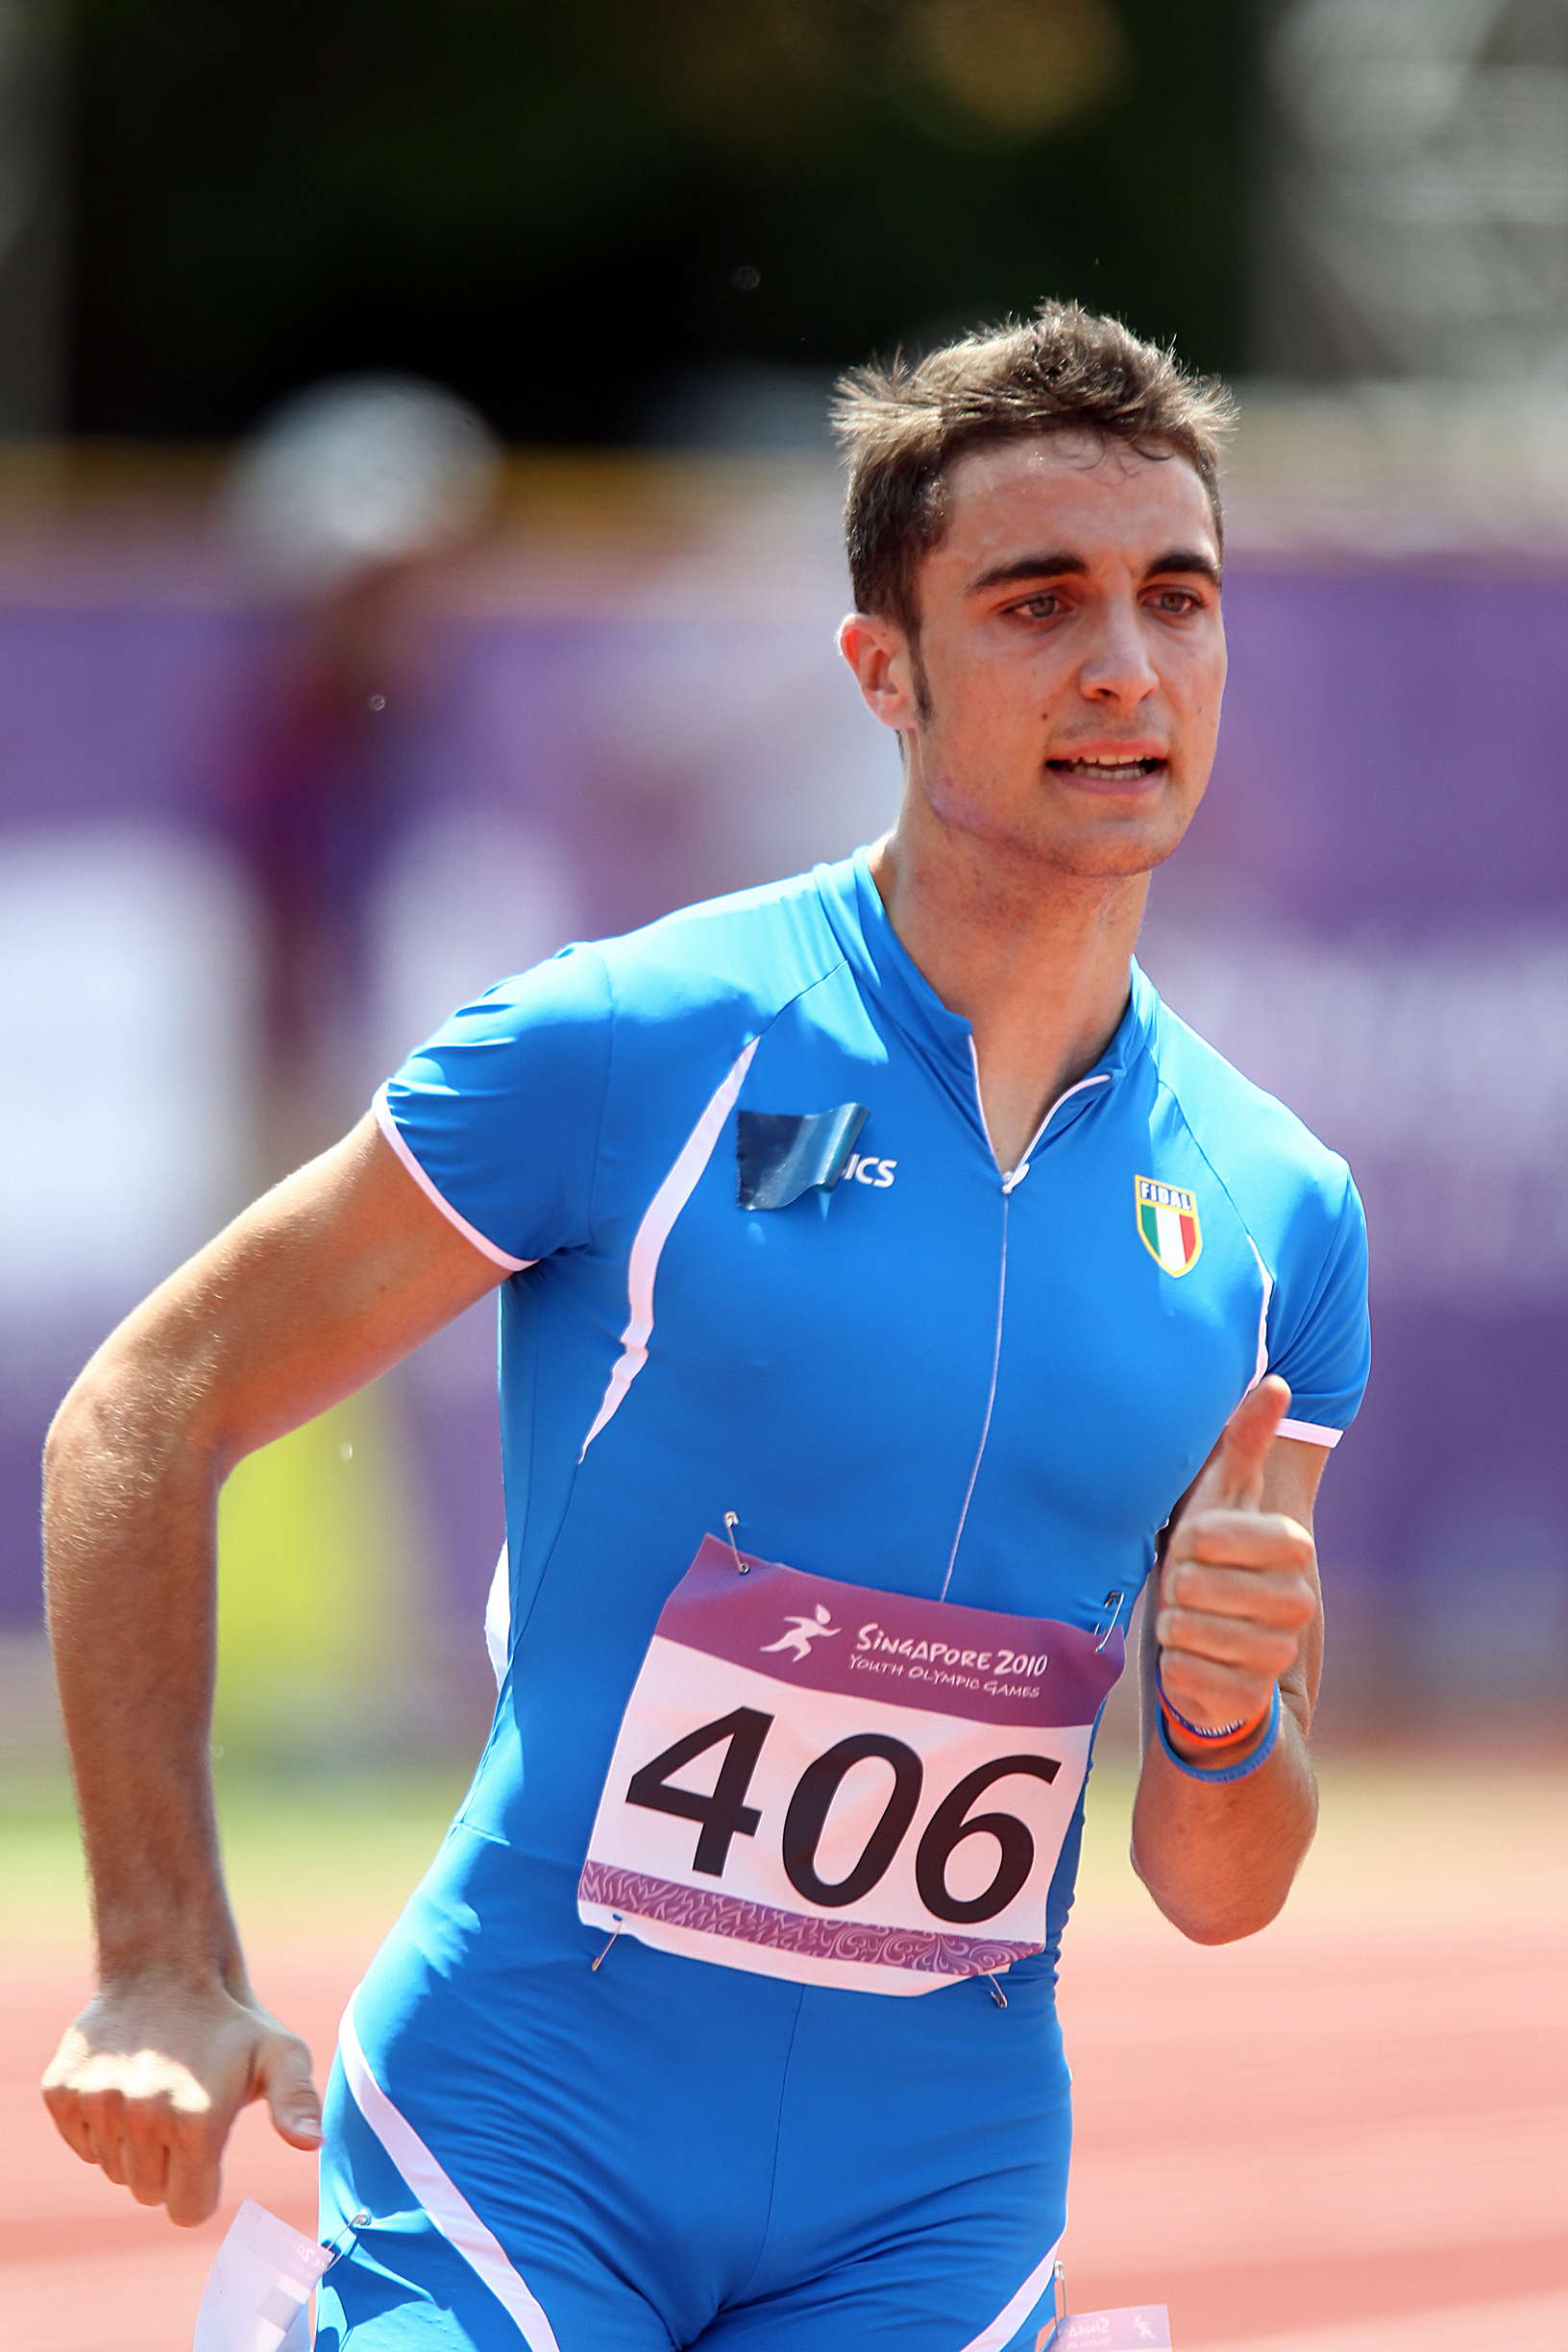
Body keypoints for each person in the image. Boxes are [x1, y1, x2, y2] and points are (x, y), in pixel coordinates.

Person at [40, 301, 1369, 2351]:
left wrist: (1219, 1719)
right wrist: (154, 1955)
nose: (1123, 664)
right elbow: (147, 1402)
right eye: (1037, 602)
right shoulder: (630, 1044)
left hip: (935, 2202)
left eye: (1174, 599)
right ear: (883, 670)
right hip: (528, 2140)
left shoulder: (1282, 1213)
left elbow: (1221, 1881)